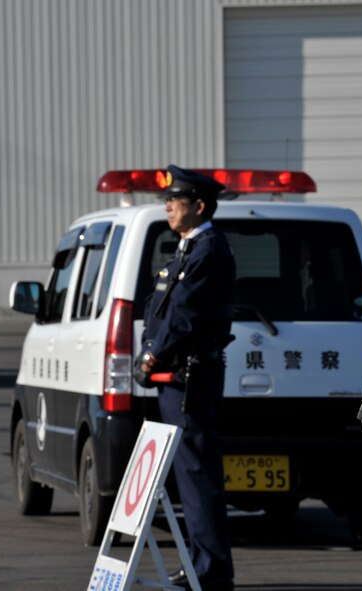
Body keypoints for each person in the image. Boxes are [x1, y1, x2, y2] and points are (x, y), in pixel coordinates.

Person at [133, 165, 235, 591]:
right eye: (167, 200)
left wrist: (151, 355)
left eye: (175, 200)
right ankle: (200, 564)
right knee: (189, 475)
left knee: (196, 474)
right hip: (176, 377)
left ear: (199, 206)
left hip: (189, 376)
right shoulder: (189, 248)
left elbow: (185, 315)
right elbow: (164, 309)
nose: (168, 206)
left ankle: (210, 572)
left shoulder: (208, 250)